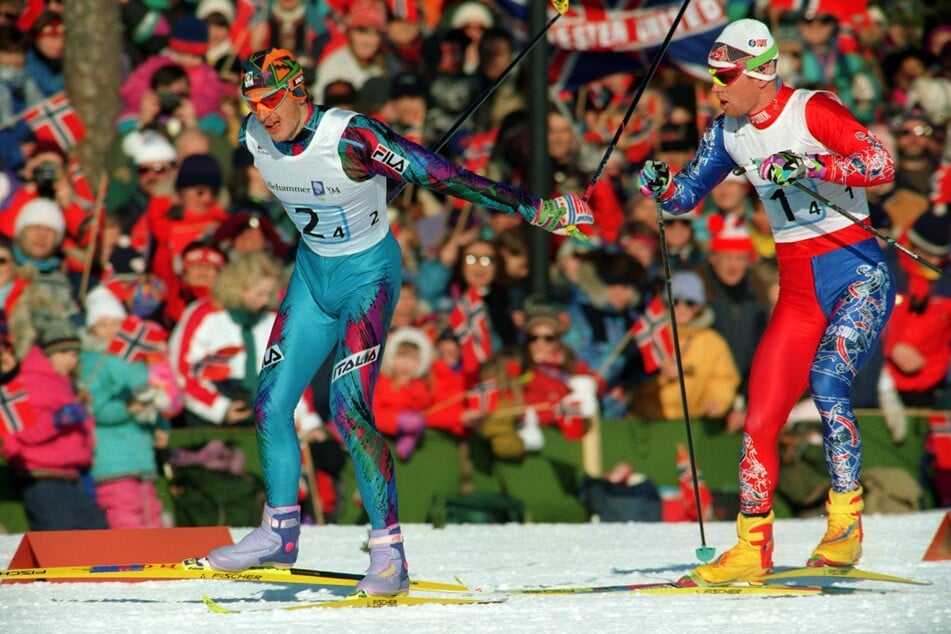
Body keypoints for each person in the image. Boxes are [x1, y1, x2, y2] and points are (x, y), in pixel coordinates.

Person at [204, 47, 592, 595]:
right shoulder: (252, 135)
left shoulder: (352, 138)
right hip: (312, 277)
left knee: (348, 410)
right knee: (269, 404)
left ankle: (389, 555)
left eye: (270, 100)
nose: (261, 113)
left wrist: (535, 208)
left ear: (297, 90)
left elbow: (442, 174)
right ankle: (279, 533)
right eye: (252, 103)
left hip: (368, 277)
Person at [637, 18, 896, 584]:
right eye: (712, 76)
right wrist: (661, 185)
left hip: (858, 277)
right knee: (760, 416)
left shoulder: (811, 110)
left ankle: (845, 525)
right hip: (799, 291)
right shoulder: (728, 131)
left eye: (725, 76)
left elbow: (880, 163)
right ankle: (752, 547)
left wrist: (811, 164)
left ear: (761, 73)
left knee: (827, 381)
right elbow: (684, 197)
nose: (716, 88)